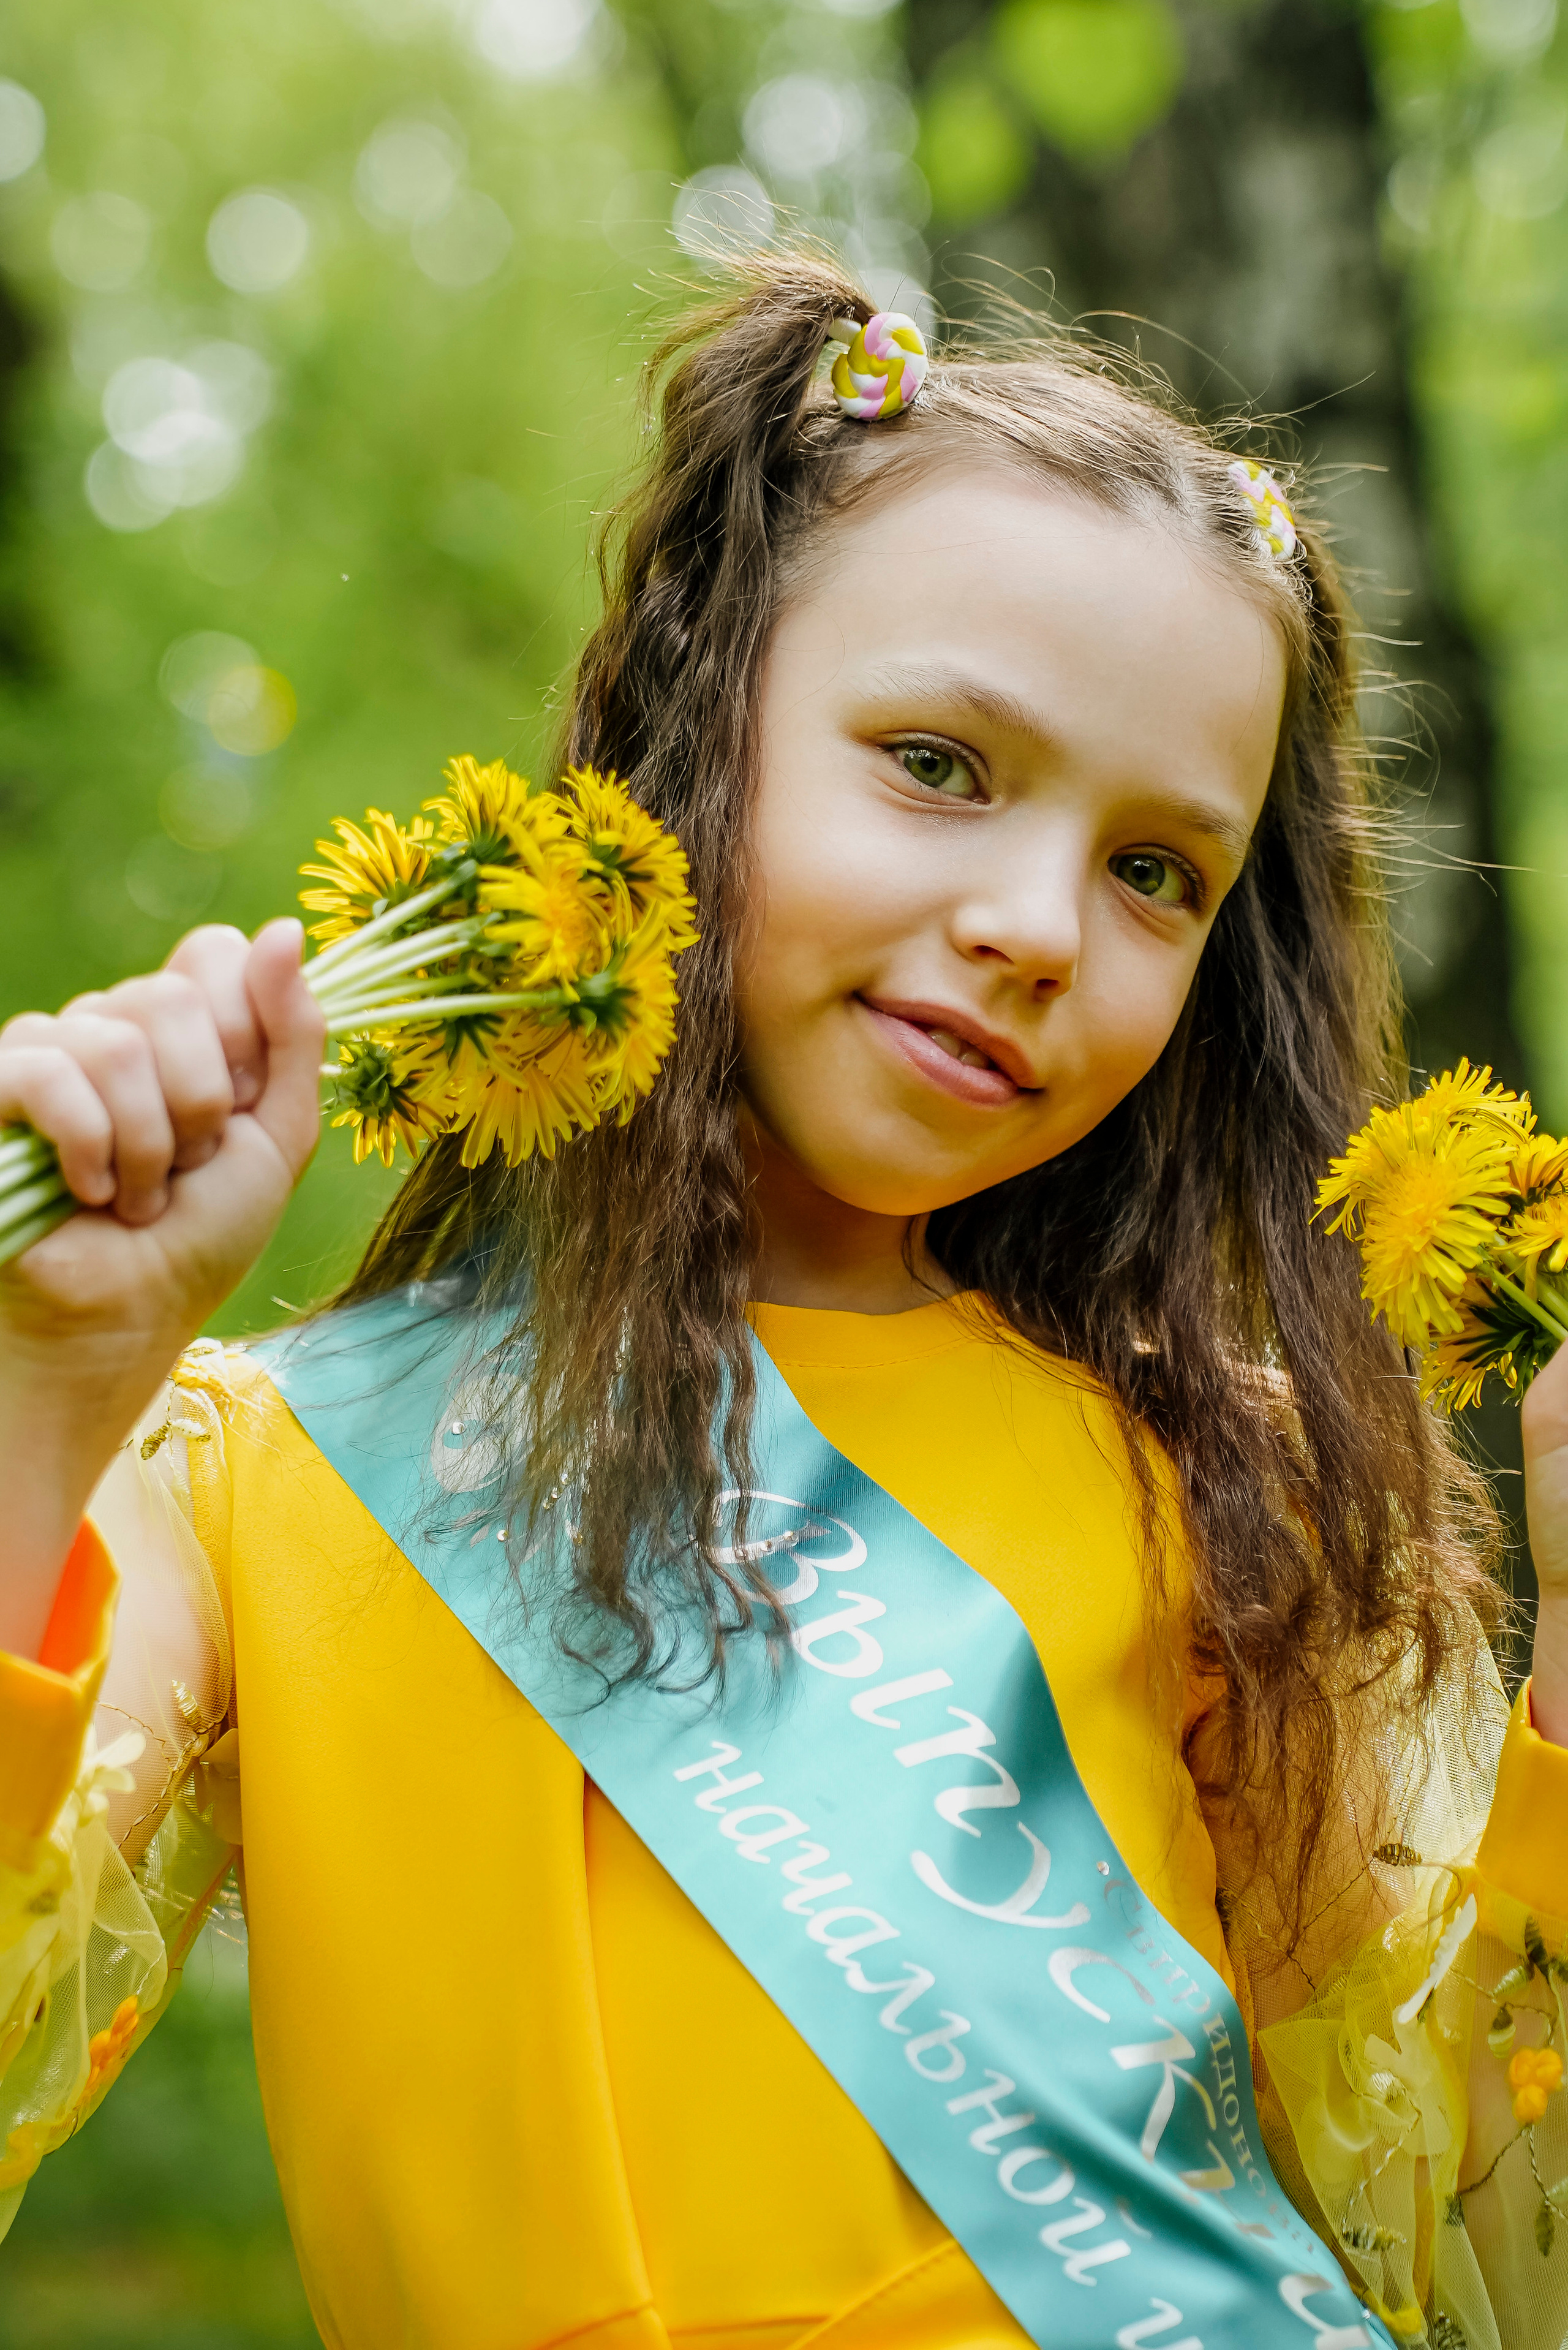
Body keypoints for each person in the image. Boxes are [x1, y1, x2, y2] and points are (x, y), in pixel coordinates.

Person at [0, 254, 1563, 2350]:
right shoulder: (249, 1477)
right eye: (938, 763)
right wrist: (46, 1385)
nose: (1032, 926)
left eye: (1156, 873)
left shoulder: (1221, 1483)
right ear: (694, 727)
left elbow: (1475, 2214)